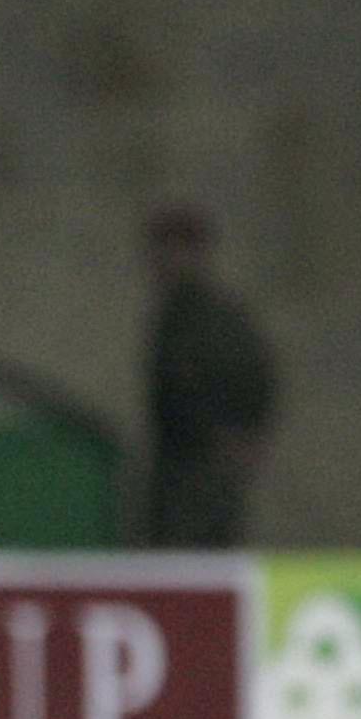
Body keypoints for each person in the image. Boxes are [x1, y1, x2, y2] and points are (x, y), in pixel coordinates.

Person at [142, 204, 276, 549]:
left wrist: (236, 436)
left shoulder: (211, 318)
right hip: (179, 465)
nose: (165, 260)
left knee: (196, 554)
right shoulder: (176, 315)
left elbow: (254, 375)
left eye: (176, 248)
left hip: (201, 469)